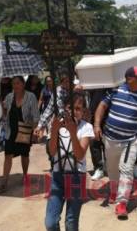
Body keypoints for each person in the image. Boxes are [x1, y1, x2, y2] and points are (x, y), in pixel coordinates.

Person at [94, 66, 137, 219]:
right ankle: (114, 191)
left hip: (130, 141)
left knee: (126, 170)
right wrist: (96, 125)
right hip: (110, 138)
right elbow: (102, 106)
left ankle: (122, 203)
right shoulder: (115, 91)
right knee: (112, 169)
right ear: (129, 79)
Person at [45, 93, 94, 231]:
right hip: (57, 177)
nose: (74, 111)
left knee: (71, 223)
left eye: (78, 109)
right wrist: (54, 130)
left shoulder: (86, 127)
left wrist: (73, 132)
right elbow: (52, 152)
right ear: (64, 108)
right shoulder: (56, 125)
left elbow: (79, 156)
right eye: (70, 107)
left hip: (77, 177)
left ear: (83, 111)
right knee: (50, 223)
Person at [0, 76, 40, 192]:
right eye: (13, 83)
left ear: (23, 84)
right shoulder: (9, 96)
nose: (15, 86)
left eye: (17, 83)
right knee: (7, 155)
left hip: (25, 130)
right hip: (10, 131)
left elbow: (36, 116)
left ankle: (25, 175)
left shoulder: (31, 97)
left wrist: (35, 130)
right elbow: (5, 113)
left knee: (24, 154)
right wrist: (1, 107)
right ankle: (4, 181)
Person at [88, 89, 111, 181]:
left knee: (108, 144)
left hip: (109, 117)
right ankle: (98, 168)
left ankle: (108, 166)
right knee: (94, 144)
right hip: (93, 117)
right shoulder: (91, 85)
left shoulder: (111, 87)